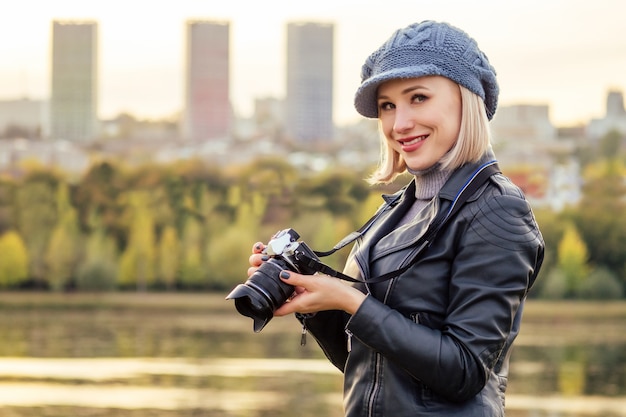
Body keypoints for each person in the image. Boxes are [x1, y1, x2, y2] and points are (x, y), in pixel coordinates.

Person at [248, 20, 544, 417]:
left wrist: (352, 301)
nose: (399, 123)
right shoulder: (398, 209)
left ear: (467, 98)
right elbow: (373, 368)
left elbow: (465, 371)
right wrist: (311, 298)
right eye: (388, 106)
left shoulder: (497, 210)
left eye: (418, 98)